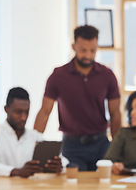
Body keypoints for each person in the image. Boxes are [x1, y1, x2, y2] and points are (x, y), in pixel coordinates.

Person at [34, 25, 122, 171]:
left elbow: (115, 113)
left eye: (92, 50)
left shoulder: (107, 75)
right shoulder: (58, 76)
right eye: (83, 50)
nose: (88, 55)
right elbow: (44, 111)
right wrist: (34, 144)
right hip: (72, 146)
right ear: (74, 47)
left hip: (101, 143)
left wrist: (118, 148)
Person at [0, 87, 66, 178]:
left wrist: (59, 167)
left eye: (26, 112)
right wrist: (15, 171)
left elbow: (65, 162)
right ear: (6, 109)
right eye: (18, 112)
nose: (23, 117)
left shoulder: (35, 137)